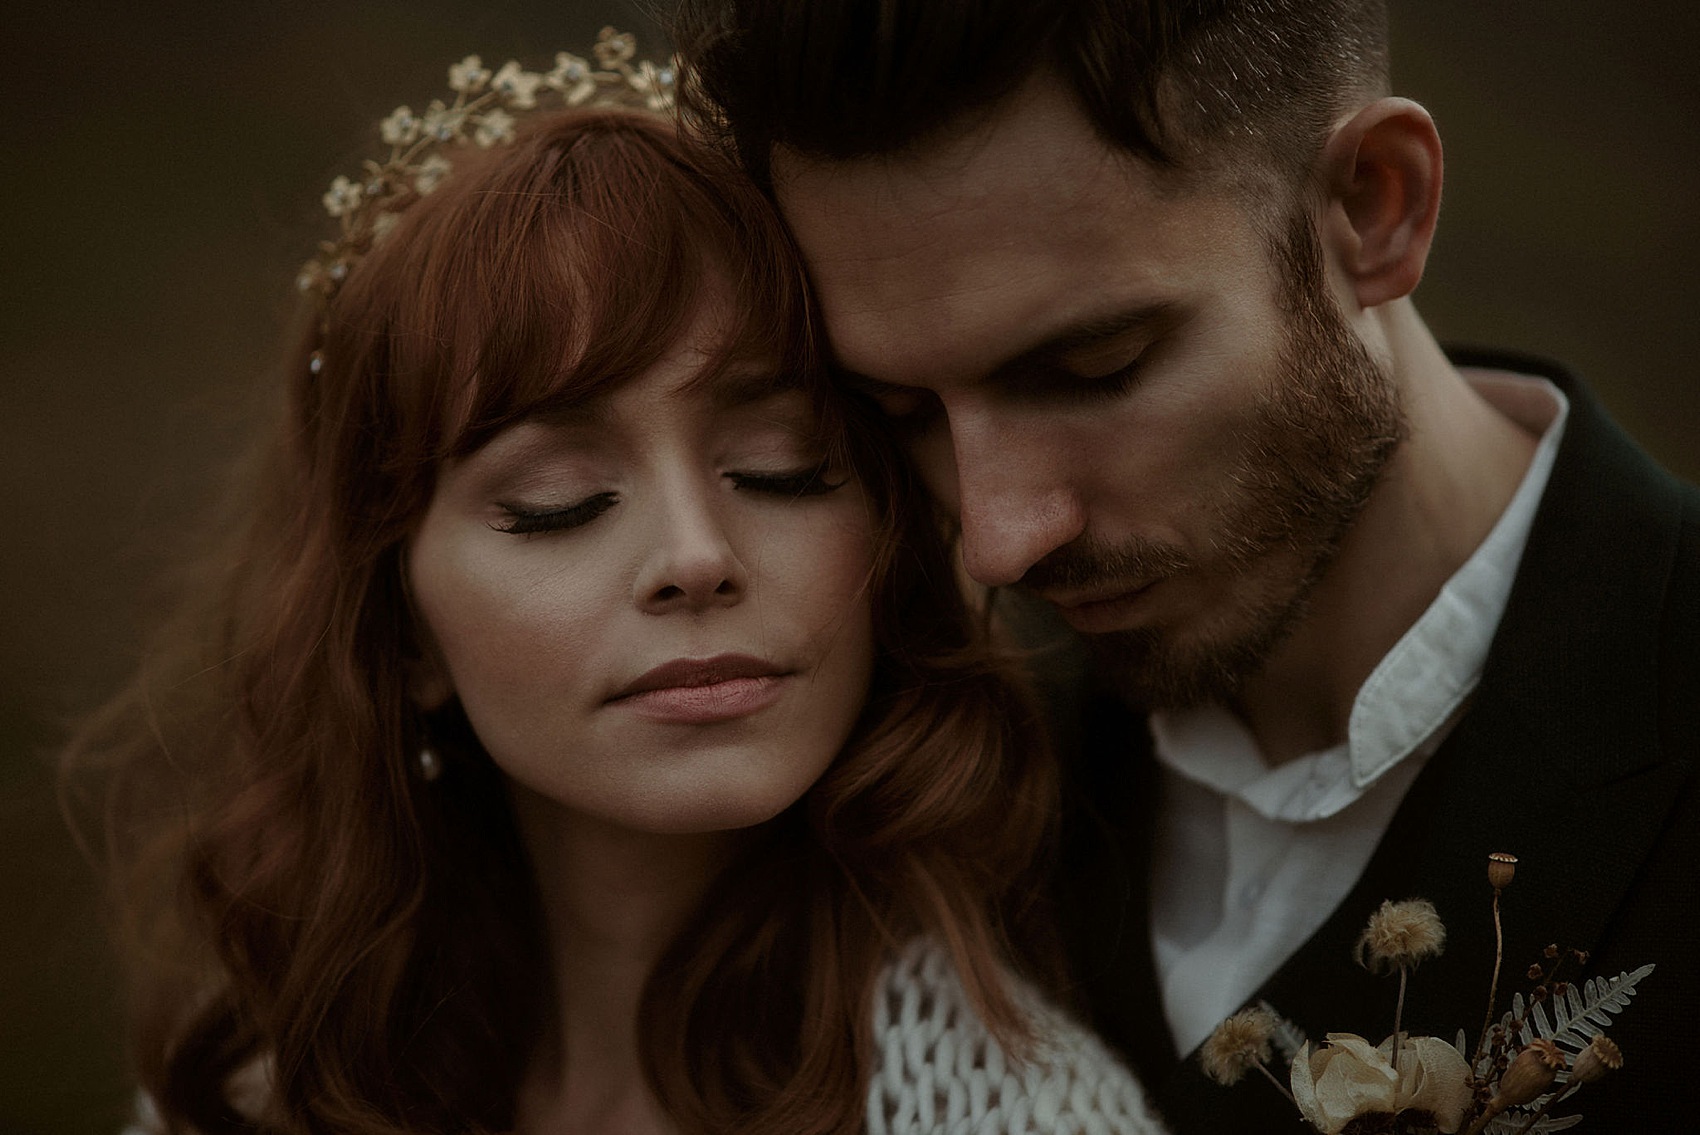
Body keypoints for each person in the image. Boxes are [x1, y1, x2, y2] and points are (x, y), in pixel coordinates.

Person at [63, 41, 1167, 1135]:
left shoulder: (1013, 1113)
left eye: (782, 466)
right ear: (402, 632)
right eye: (559, 499)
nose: (696, 554)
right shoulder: (258, 1090)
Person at [668, 2, 1700, 1131]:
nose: (998, 536)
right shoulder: (917, 777)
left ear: (1373, 206)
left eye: (1093, 367)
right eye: (899, 410)